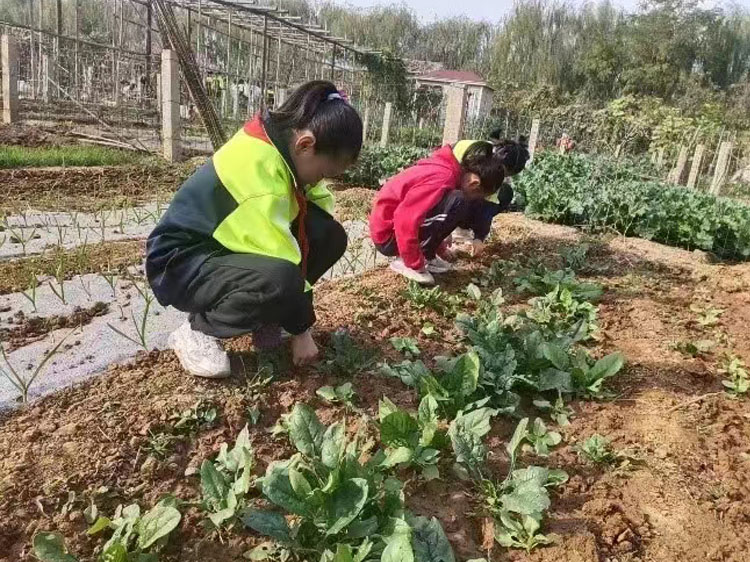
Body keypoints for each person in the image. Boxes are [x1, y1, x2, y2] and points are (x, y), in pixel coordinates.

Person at [146, 81, 362, 378]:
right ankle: (198, 332)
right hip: (181, 262)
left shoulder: (282, 148)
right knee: (279, 278)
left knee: (329, 235)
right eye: (323, 173)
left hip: (221, 248)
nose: (318, 182)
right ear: (306, 144)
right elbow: (283, 257)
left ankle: (269, 317)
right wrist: (302, 331)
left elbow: (317, 217)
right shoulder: (260, 167)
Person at [369, 139, 506, 285]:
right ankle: (405, 262)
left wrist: (438, 248)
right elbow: (405, 218)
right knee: (458, 201)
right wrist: (414, 262)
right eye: (478, 196)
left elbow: (430, 214)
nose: (474, 200)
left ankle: (427, 254)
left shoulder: (448, 170)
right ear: (474, 184)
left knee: (456, 201)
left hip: (390, 229)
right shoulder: (443, 177)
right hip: (388, 235)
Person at [451, 131, 530, 252]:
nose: (502, 177)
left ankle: (463, 228)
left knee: (505, 193)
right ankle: (450, 229)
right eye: (504, 173)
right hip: (447, 183)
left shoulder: (494, 164)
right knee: (462, 197)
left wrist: (480, 237)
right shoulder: (478, 155)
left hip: (460, 186)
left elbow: (488, 206)